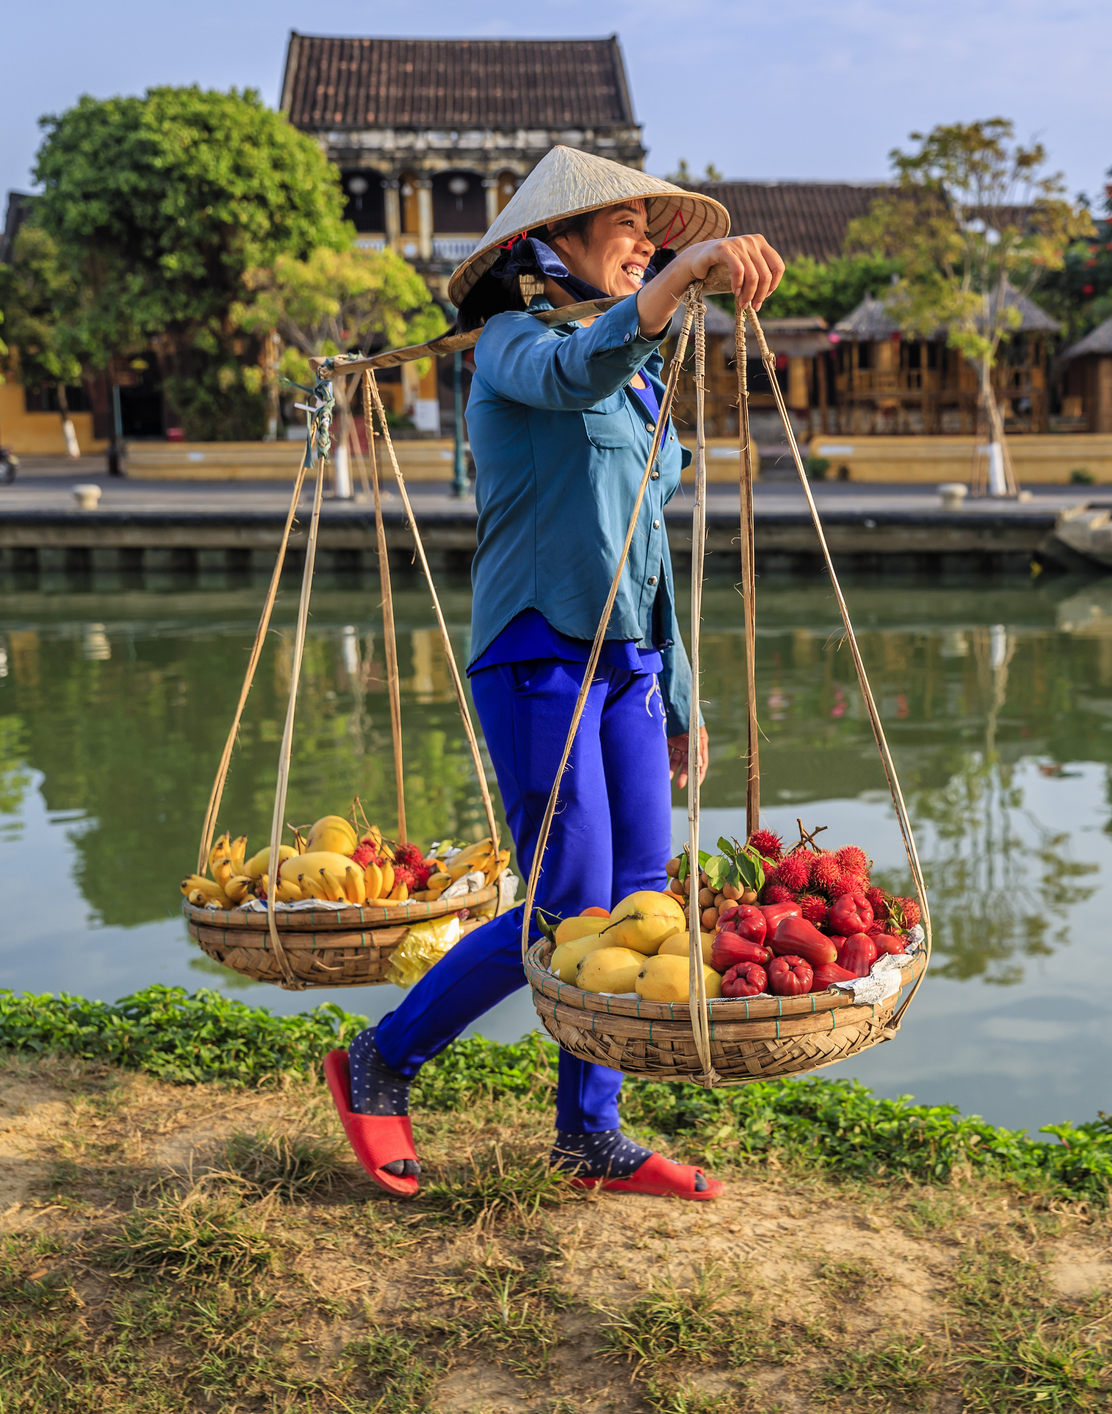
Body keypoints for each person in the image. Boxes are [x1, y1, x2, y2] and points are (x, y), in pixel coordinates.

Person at [322, 146, 783, 1202]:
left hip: (626, 664)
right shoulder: (512, 347)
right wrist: (679, 282)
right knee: (559, 906)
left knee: (631, 907)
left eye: (654, 233)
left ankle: (591, 1135)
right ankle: (381, 1060)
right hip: (538, 654)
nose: (648, 244)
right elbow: (576, 370)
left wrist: (679, 698)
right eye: (627, 226)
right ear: (553, 243)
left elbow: (647, 547)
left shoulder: (641, 379)